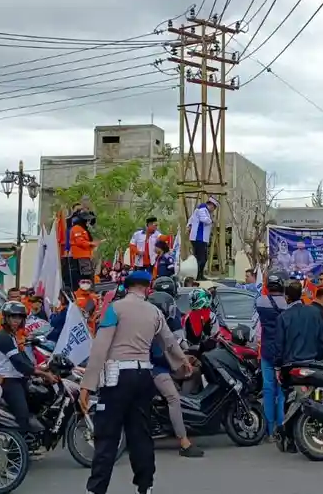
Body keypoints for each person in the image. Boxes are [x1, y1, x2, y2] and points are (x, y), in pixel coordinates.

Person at [80, 270, 190, 494]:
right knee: (140, 435)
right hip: (143, 377)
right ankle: (145, 487)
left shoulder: (114, 309)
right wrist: (183, 362)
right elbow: (169, 341)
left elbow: (100, 347)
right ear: (147, 289)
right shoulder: (155, 312)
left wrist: (87, 384)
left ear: (126, 287)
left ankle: (96, 490)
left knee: (107, 436)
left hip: (117, 378)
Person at [149, 286, 203, 458]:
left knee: (193, 371)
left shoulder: (158, 323)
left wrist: (184, 359)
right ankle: (184, 442)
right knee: (173, 398)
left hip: (160, 366)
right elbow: (161, 353)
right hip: (154, 369)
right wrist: (180, 360)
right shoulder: (152, 327)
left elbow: (172, 342)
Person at [0, 300, 53, 445]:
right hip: (8, 381)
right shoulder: (3, 337)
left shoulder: (12, 336)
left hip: (18, 378)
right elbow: (19, 364)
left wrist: (43, 368)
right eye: (13, 317)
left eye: (19, 317)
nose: (16, 320)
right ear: (6, 318)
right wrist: (43, 374)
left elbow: (24, 359)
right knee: (22, 414)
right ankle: (18, 450)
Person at [255, 271, 290, 442]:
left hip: (267, 350)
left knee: (268, 390)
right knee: (282, 392)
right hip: (284, 351)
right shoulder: (286, 303)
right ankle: (282, 428)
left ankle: (270, 431)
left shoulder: (260, 301)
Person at [273, 281, 323, 367]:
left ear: (287, 297)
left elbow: (279, 345)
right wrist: (318, 359)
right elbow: (322, 340)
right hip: (312, 362)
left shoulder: (283, 317)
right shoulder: (315, 312)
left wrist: (277, 366)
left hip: (290, 364)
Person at [185, 196, 218, 278]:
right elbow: (204, 219)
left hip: (201, 238)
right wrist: (212, 220)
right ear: (211, 205)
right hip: (198, 237)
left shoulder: (203, 210)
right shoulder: (202, 209)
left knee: (201, 258)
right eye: (214, 208)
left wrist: (189, 226)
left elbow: (191, 219)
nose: (213, 210)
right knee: (201, 259)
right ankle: (198, 276)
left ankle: (199, 275)